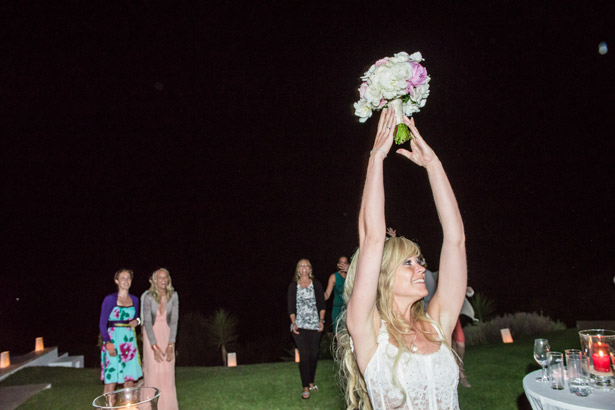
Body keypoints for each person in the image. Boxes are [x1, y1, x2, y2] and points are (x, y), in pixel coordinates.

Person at [339, 109, 467, 409]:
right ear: (382, 276)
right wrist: (377, 157)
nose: (420, 267)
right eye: (407, 263)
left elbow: (455, 240)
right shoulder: (367, 329)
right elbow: (372, 239)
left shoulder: (438, 323)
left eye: (419, 260)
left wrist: (433, 165)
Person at [99, 268, 143, 394]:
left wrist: (138, 321)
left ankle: (128, 406)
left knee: (129, 380)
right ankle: (107, 407)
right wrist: (108, 343)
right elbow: (102, 324)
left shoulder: (135, 299)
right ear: (116, 281)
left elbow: (136, 319)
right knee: (111, 381)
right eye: (123, 278)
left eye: (128, 278)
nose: (126, 280)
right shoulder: (110, 299)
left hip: (129, 342)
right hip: (113, 340)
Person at [287, 258, 326, 400]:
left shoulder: (316, 284)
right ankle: (305, 387)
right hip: (300, 326)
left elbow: (321, 304)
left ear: (310, 269)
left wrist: (321, 321)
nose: (304, 267)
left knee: (313, 355)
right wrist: (294, 322)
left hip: (315, 325)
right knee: (304, 356)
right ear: (298, 269)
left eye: (306, 265)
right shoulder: (293, 286)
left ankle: (311, 381)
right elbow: (291, 306)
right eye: (301, 265)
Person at [142, 268, 179, 410]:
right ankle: (150, 406)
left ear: (168, 279)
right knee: (153, 371)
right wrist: (154, 347)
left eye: (165, 277)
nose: (163, 280)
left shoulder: (174, 296)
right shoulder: (148, 297)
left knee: (168, 372)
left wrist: (171, 344)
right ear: (155, 280)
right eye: (160, 277)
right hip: (151, 336)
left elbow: (175, 320)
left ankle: (168, 406)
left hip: (168, 335)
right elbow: (147, 323)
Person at [324, 256, 350, 333]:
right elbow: (327, 295)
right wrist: (316, 295)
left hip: (349, 309)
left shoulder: (353, 275)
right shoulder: (334, 277)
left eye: (345, 263)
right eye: (341, 263)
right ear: (338, 265)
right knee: (339, 334)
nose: (343, 265)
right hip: (337, 310)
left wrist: (351, 271)